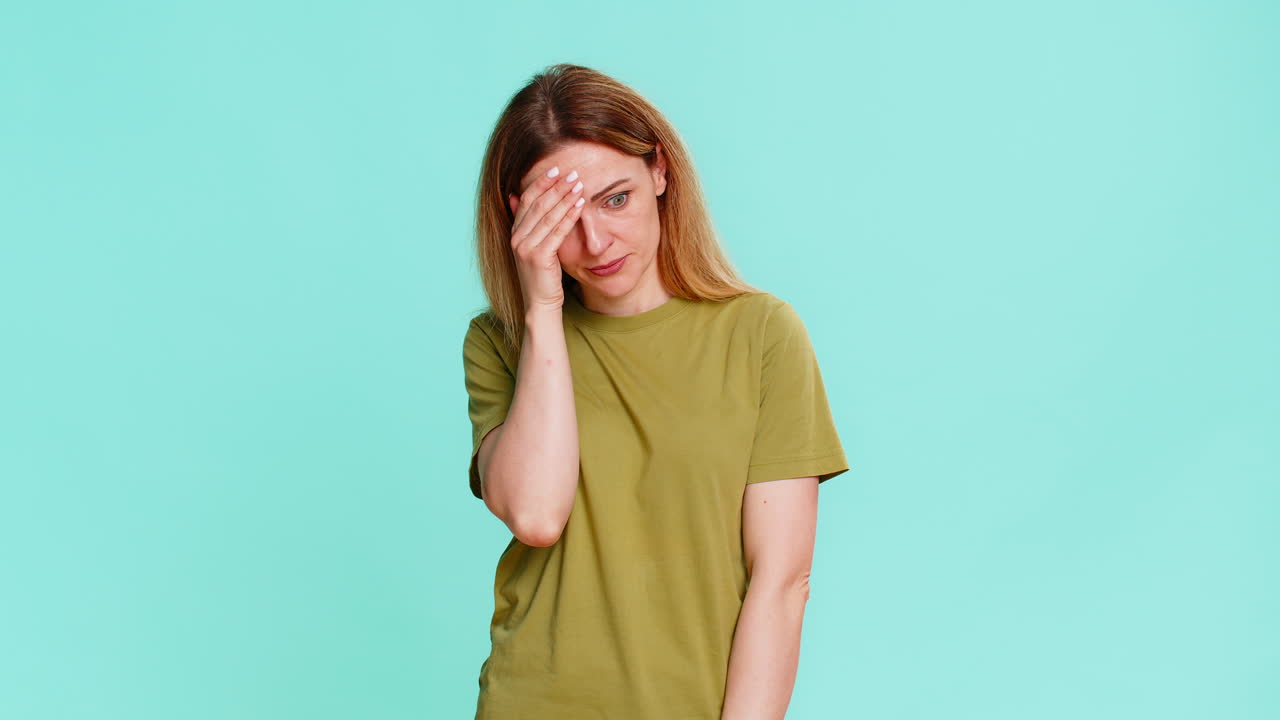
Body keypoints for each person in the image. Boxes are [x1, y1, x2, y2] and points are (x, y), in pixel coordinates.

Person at [462, 63, 849, 720]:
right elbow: (535, 515)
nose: (595, 240)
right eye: (563, 217)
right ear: (519, 219)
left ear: (661, 173)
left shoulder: (761, 335)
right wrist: (542, 309)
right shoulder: (501, 342)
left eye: (615, 198)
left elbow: (780, 586)